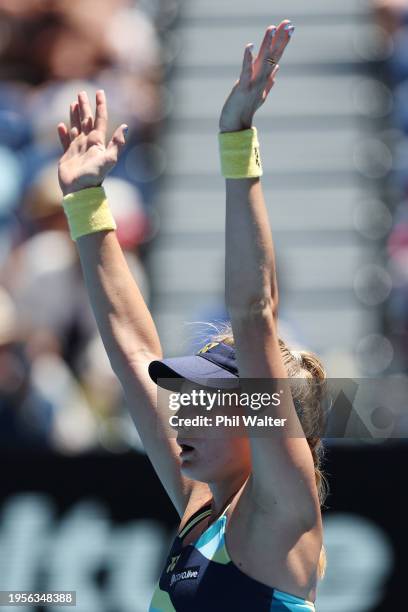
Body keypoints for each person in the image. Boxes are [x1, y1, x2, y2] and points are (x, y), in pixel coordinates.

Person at [57, 19, 326, 611]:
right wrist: (85, 202)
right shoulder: (200, 506)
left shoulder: (280, 511)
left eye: (204, 401)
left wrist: (236, 136)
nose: (183, 414)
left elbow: (254, 313)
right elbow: (131, 351)